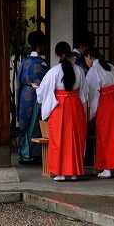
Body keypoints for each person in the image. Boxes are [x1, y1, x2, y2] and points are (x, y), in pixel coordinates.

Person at [37, 41, 89, 182]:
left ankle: (60, 172)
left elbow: (43, 92)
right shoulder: (78, 70)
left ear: (57, 55)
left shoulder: (53, 71)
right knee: (75, 139)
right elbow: (85, 93)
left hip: (59, 107)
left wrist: (38, 91)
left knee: (58, 140)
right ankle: (73, 172)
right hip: (75, 106)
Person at [83, 47, 114, 179]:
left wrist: (91, 112)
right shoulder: (110, 66)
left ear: (90, 57)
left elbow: (92, 94)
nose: (86, 61)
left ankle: (108, 167)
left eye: (86, 58)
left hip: (105, 102)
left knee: (105, 134)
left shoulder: (93, 71)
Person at [16, 30, 49, 165]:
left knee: (25, 124)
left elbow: (18, 80)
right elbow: (46, 83)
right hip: (36, 96)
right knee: (35, 124)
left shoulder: (25, 61)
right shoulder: (42, 64)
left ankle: (23, 152)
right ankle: (31, 154)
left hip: (24, 94)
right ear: (40, 46)